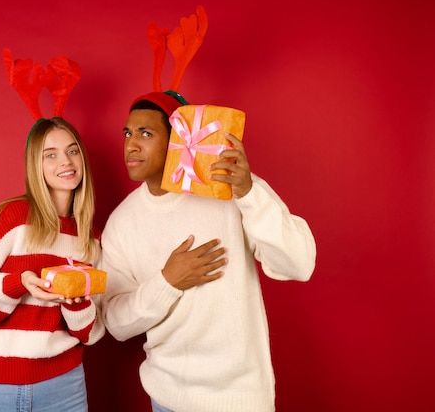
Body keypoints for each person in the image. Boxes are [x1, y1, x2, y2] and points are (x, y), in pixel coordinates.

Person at [99, 91, 317, 412]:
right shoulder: (121, 222)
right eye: (128, 133)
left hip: (239, 400)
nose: (131, 144)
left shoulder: (231, 189)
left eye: (146, 133)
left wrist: (248, 193)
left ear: (178, 140)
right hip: (167, 398)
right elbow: (115, 322)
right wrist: (167, 282)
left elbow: (299, 263)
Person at [0, 116, 104, 412]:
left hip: (63, 389)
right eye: (50, 155)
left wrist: (75, 301)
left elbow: (90, 333)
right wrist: (18, 283)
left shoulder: (91, 241)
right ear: (36, 165)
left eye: (72, 151)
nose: (65, 162)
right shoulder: (13, 218)